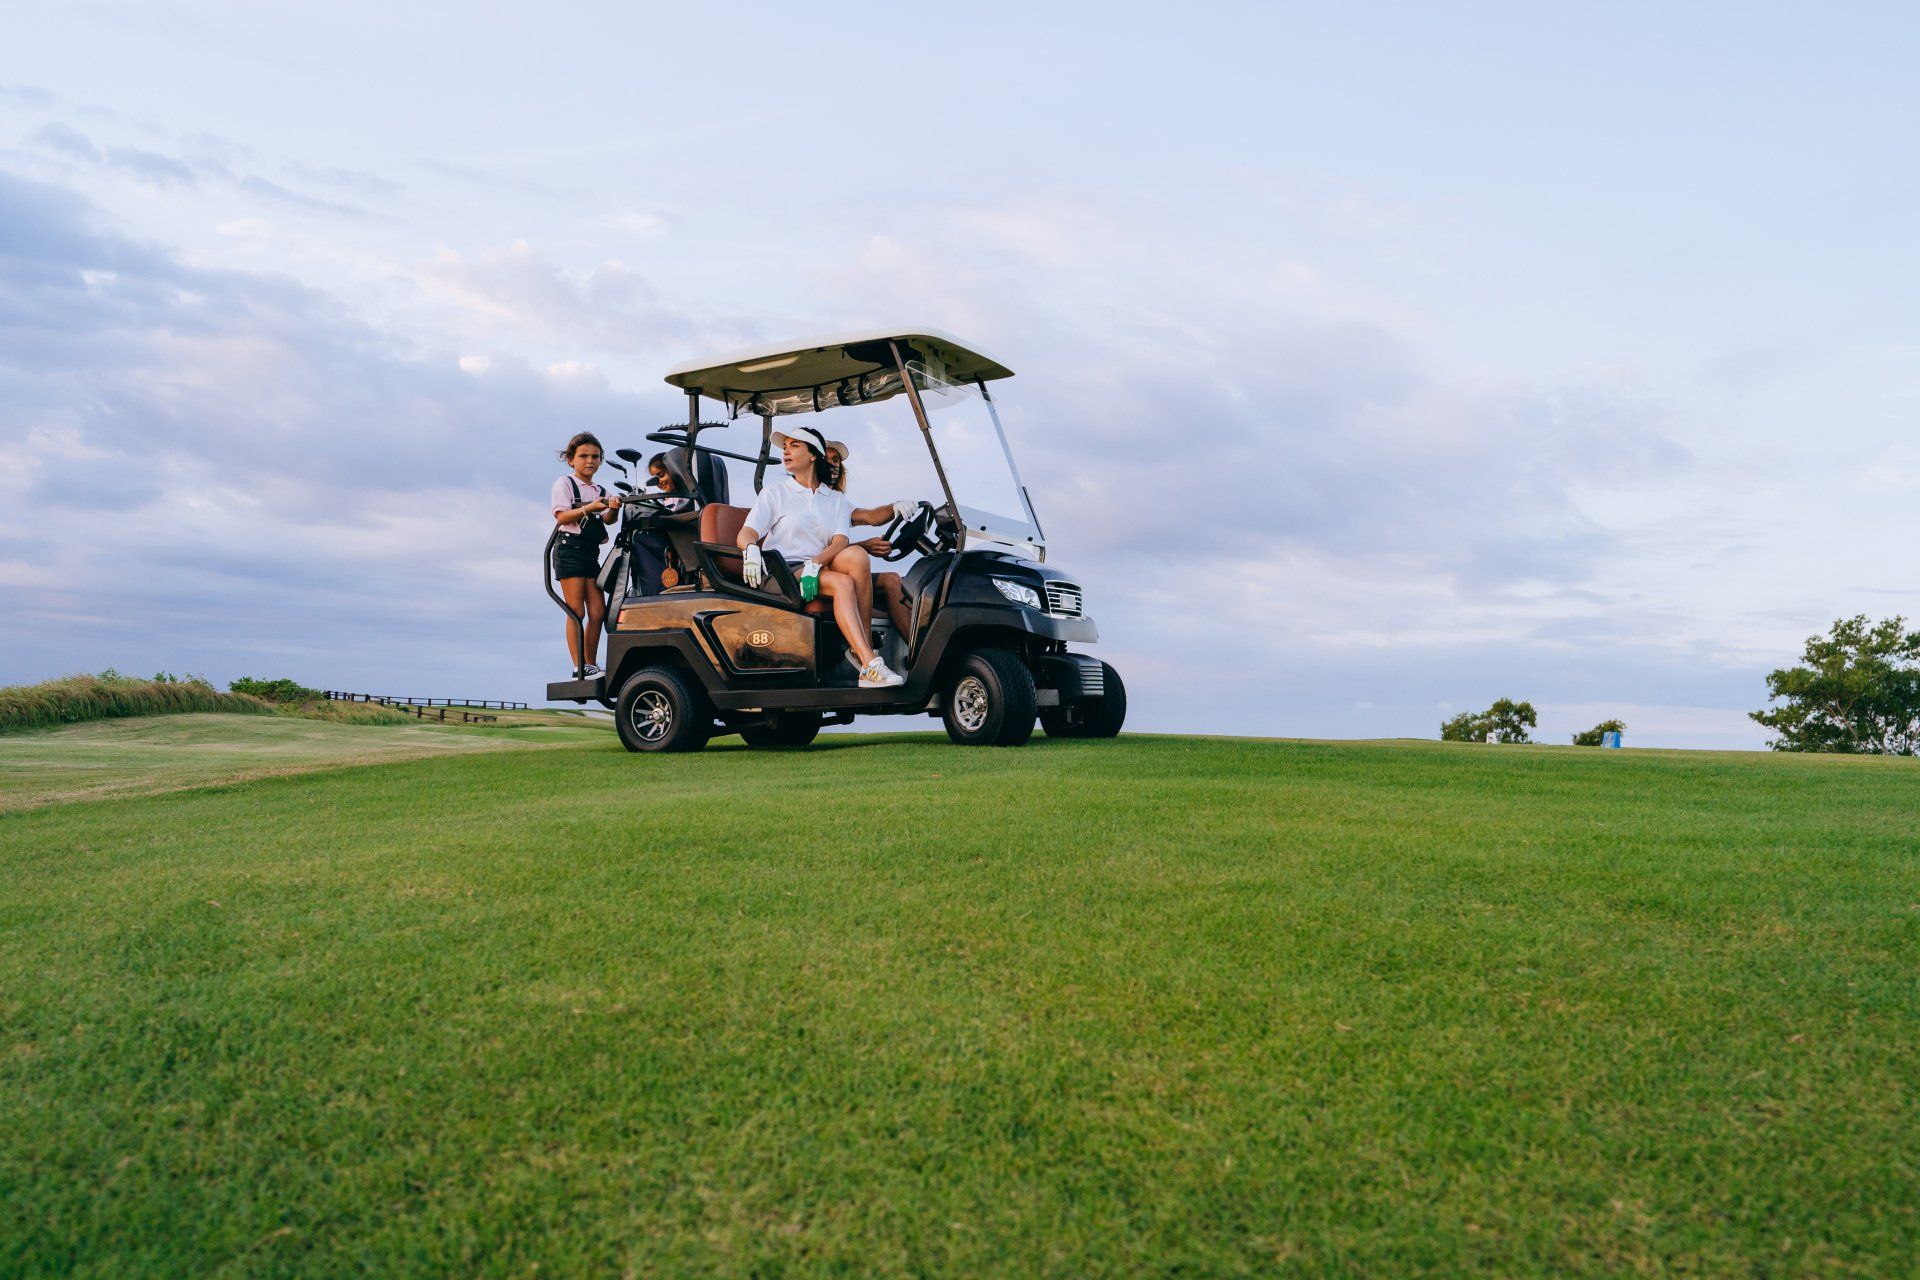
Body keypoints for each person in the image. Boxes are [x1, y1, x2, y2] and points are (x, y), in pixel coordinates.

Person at [737, 425, 905, 688]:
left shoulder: (835, 499)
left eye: (795, 446)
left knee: (857, 556)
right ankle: (870, 663)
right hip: (784, 572)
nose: (786, 452)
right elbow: (747, 532)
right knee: (842, 582)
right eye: (785, 447)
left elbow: (841, 540)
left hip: (817, 568)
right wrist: (750, 549)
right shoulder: (775, 493)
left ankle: (865, 659)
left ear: (813, 455)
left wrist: (815, 564)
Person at [823, 440, 918, 635]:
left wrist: (895, 507)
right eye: (826, 459)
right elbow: (816, 548)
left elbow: (871, 517)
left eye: (836, 461)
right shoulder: (800, 499)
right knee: (869, 565)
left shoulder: (837, 501)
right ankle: (865, 649)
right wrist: (865, 546)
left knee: (897, 581)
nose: (832, 465)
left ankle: (920, 657)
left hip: (841, 566)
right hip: (819, 568)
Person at [550, 432, 620, 675]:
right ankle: (579, 665)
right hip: (569, 549)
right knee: (576, 610)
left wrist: (613, 508)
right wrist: (590, 507)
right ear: (571, 460)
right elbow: (561, 517)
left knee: (598, 611)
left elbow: (609, 521)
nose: (590, 461)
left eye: (595, 457)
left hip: (590, 553)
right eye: (583, 456)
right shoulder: (565, 484)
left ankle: (590, 663)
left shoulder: (601, 488)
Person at [625, 453, 690, 595]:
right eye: (655, 478)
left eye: (661, 475)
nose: (658, 482)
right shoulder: (666, 499)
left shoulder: (686, 497)